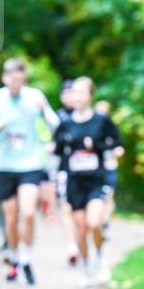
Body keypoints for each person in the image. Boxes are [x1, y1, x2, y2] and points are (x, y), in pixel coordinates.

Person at [0, 58, 59, 285]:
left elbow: (56, 123)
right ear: (4, 78)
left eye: (19, 79)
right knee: (11, 218)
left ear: (24, 79)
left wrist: (43, 111)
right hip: (4, 166)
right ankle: (15, 257)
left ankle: (26, 257)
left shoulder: (34, 96)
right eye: (11, 79)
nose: (15, 83)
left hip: (30, 164)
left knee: (28, 213)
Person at [54, 77, 121, 286]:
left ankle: (100, 259)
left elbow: (117, 143)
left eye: (82, 92)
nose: (78, 96)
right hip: (75, 182)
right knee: (81, 228)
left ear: (90, 95)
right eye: (74, 92)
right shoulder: (64, 123)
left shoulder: (101, 120)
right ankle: (85, 267)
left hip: (96, 179)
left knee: (94, 222)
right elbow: (57, 149)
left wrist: (107, 150)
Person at [55, 80, 79, 265]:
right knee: (66, 207)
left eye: (73, 93)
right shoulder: (58, 118)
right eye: (66, 93)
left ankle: (82, 243)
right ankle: (71, 246)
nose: (69, 97)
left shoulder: (89, 117)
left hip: (88, 174)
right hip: (64, 170)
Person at [95, 99, 125, 236]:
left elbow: (120, 148)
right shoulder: (91, 129)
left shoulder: (112, 129)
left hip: (110, 167)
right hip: (95, 169)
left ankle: (105, 223)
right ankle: (97, 221)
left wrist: (115, 152)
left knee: (108, 196)